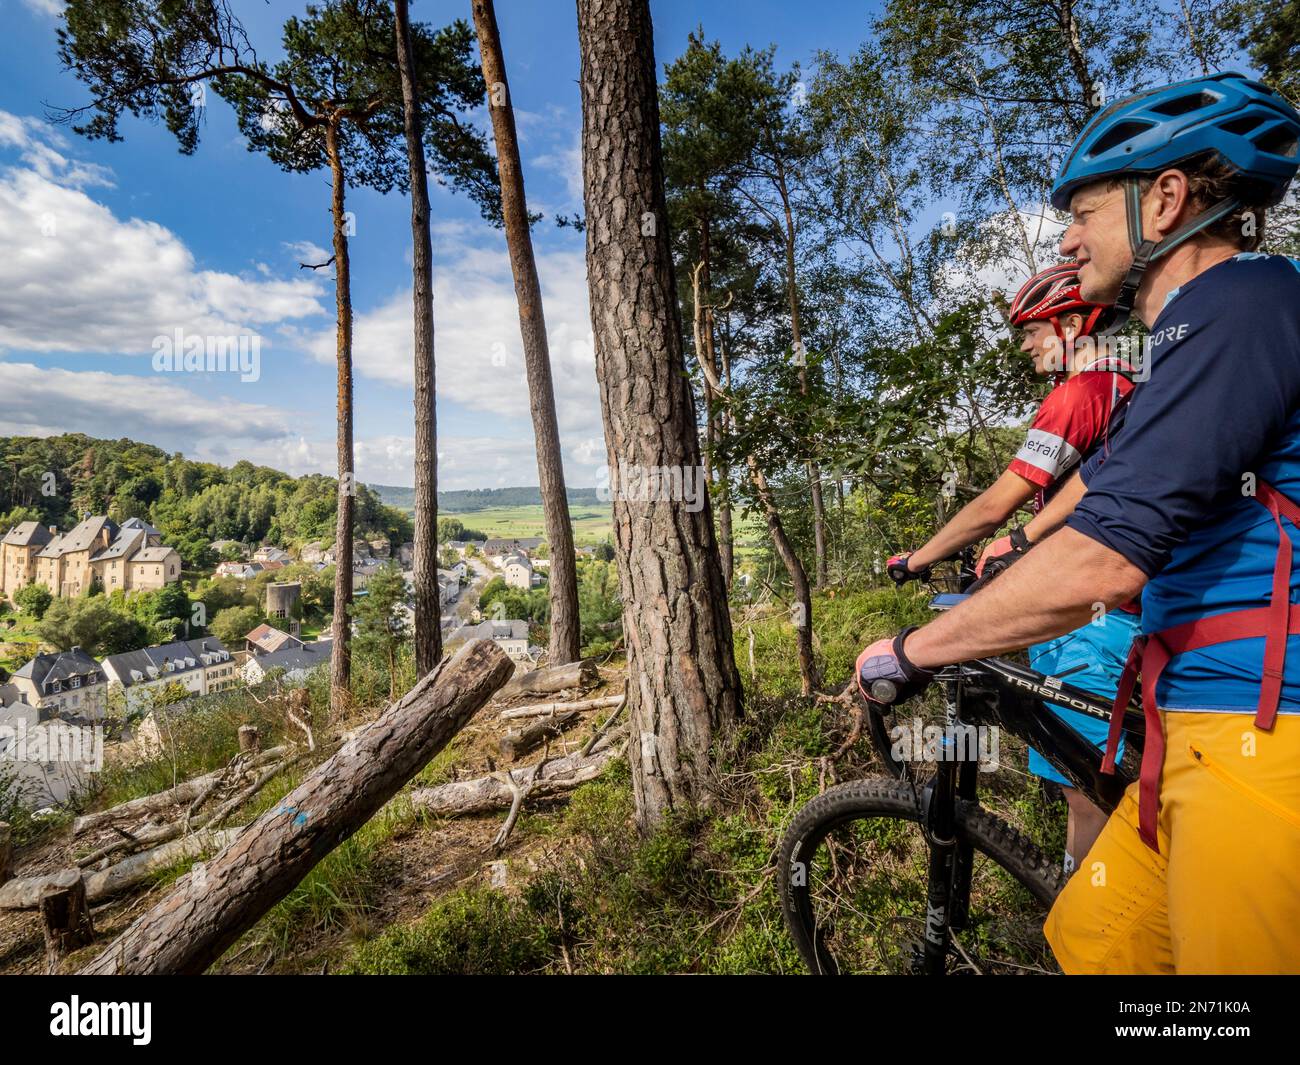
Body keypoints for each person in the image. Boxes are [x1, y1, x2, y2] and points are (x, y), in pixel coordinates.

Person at [857, 71, 1300, 973]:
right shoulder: (1186, 341)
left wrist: (912, 650)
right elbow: (1095, 504)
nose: (1067, 236)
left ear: (1165, 201)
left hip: (1262, 732)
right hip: (1193, 728)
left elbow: (1104, 559)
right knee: (1095, 937)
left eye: (1084, 210)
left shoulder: (1243, 303)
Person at [887, 263, 1135, 872]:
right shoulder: (1130, 384)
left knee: (1087, 791)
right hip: (1133, 599)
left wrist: (916, 559)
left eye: (1032, 330)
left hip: (1096, 610)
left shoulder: (1081, 393)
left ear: (1073, 325)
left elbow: (1001, 499)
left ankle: (1088, 928)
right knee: (1117, 768)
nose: (1026, 345)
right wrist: (1021, 539)